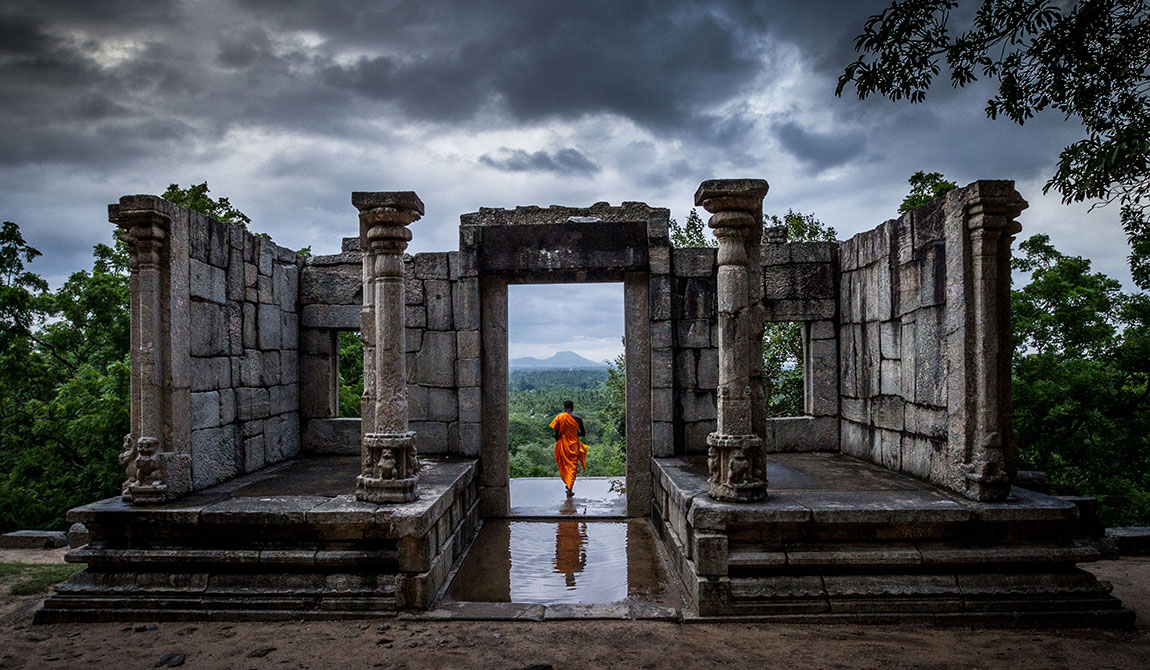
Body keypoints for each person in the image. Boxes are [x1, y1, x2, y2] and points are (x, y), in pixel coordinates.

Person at [549, 400, 587, 498]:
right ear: (573, 407)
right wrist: (573, 435)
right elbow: (583, 433)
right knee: (573, 467)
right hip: (573, 445)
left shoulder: (559, 417)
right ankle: (570, 487)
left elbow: (556, 434)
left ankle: (569, 486)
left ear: (564, 407)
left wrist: (561, 441)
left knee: (564, 465)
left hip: (562, 445)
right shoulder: (578, 419)